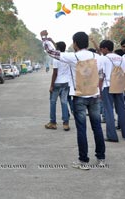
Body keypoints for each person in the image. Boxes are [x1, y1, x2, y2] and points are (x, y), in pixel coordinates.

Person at [40, 30, 105, 170]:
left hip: (79, 96)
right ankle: (101, 158)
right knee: (97, 127)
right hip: (94, 95)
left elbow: (52, 52)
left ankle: (84, 161)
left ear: (75, 43)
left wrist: (44, 38)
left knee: (81, 129)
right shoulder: (97, 57)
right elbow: (101, 74)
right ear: (87, 42)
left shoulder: (73, 57)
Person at [98, 40, 125, 142]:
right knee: (121, 110)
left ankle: (112, 136)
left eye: (101, 49)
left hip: (107, 86)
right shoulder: (121, 58)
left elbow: (101, 75)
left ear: (105, 48)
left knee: (108, 111)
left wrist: (99, 90)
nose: (101, 50)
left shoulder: (104, 59)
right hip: (119, 86)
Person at [45, 41, 70, 131]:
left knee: (53, 102)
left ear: (57, 48)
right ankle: (66, 124)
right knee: (64, 102)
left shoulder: (56, 58)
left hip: (57, 83)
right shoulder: (67, 57)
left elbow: (55, 73)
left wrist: (51, 85)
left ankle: (53, 122)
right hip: (66, 83)